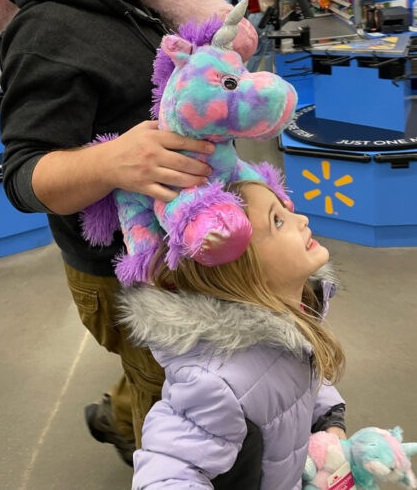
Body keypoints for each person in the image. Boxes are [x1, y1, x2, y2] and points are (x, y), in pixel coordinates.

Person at [0, 0, 217, 465]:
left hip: (170, 247)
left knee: (157, 368)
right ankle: (145, 440)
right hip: (125, 275)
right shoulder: (45, 32)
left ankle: (116, 413)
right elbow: (23, 175)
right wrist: (115, 159)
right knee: (174, 405)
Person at [118, 180, 347, 489]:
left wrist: (329, 418)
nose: (302, 219)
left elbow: (292, 373)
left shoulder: (292, 318)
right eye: (277, 220)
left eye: (286, 209)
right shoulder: (215, 383)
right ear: (244, 269)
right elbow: (166, 470)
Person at [244, 0, 275, 73]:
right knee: (268, 51)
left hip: (252, 19)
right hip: (264, 18)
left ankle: (247, 76)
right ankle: (269, 79)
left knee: (256, 52)